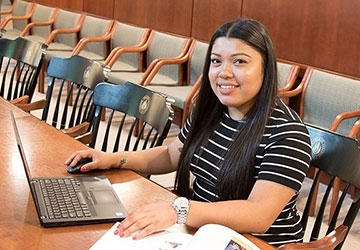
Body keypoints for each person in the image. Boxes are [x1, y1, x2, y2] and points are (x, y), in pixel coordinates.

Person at [65, 18, 311, 247]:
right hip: (202, 230)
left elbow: (259, 215)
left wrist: (179, 210)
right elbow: (173, 155)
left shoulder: (287, 133)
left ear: (266, 69)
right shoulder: (211, 111)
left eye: (239, 61)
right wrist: (114, 158)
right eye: (216, 61)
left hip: (252, 243)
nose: (223, 72)